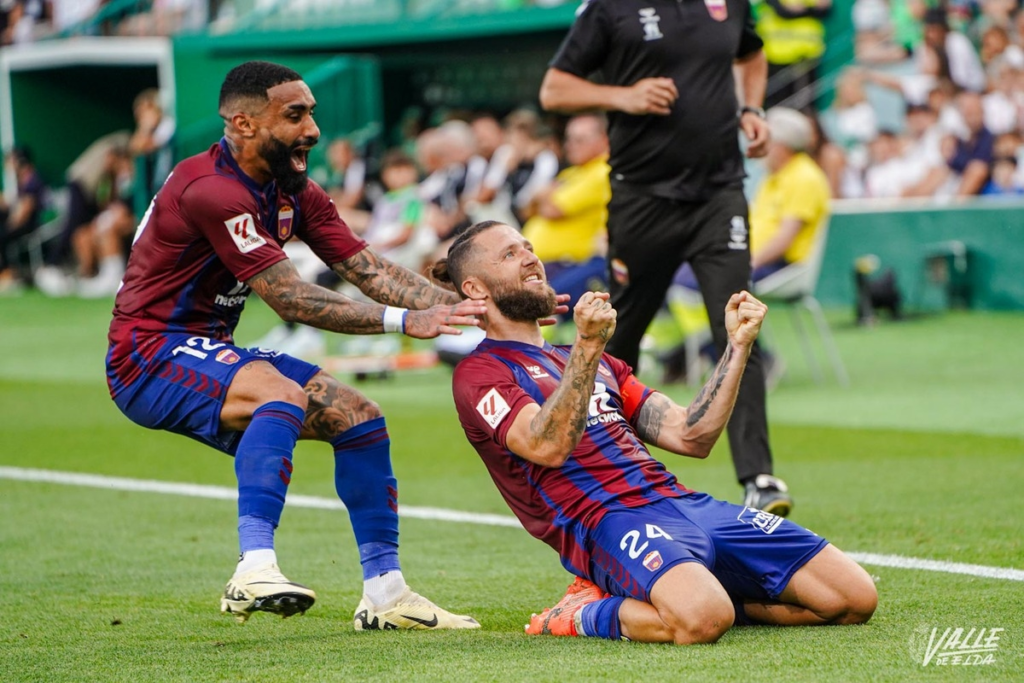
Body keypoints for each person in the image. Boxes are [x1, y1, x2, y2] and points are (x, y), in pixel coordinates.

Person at [104, 61, 488, 630]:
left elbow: (366, 267)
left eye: (311, 113)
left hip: (208, 346)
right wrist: (405, 323)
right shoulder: (212, 189)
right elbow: (291, 299)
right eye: (295, 114)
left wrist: (483, 310)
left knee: (359, 417)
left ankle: (386, 596)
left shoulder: (290, 189)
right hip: (149, 356)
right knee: (277, 393)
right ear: (243, 123)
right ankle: (253, 568)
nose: (312, 128)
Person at [434, 221, 876, 644]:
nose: (529, 257)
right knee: (703, 621)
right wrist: (588, 346)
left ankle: (698, 592)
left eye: (528, 247)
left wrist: (736, 347)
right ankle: (581, 614)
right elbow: (545, 446)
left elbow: (691, 435)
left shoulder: (599, 363)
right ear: (475, 289)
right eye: (509, 254)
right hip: (606, 521)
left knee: (852, 599)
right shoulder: (480, 373)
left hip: (680, 503)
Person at [539, 0, 793, 514]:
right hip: (642, 198)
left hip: (720, 193)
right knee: (621, 332)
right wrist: (623, 96)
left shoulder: (732, 4)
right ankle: (595, 455)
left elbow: (752, 56)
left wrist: (752, 109)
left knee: (737, 324)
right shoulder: (610, 9)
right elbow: (555, 88)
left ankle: (759, 479)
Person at [520, 113, 610, 316]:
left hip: (571, 264)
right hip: (546, 265)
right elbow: (528, 208)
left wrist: (544, 197)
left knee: (530, 307)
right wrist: (543, 199)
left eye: (579, 140)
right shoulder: (574, 172)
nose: (570, 145)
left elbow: (553, 209)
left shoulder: (602, 171)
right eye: (568, 139)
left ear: (604, 140)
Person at [0, 145, 47, 292]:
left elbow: (23, 213)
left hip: (31, 226)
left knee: (2, 235)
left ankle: (8, 276)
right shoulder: (22, 182)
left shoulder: (32, 181)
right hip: (21, 224)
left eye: (11, 161)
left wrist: (7, 227)